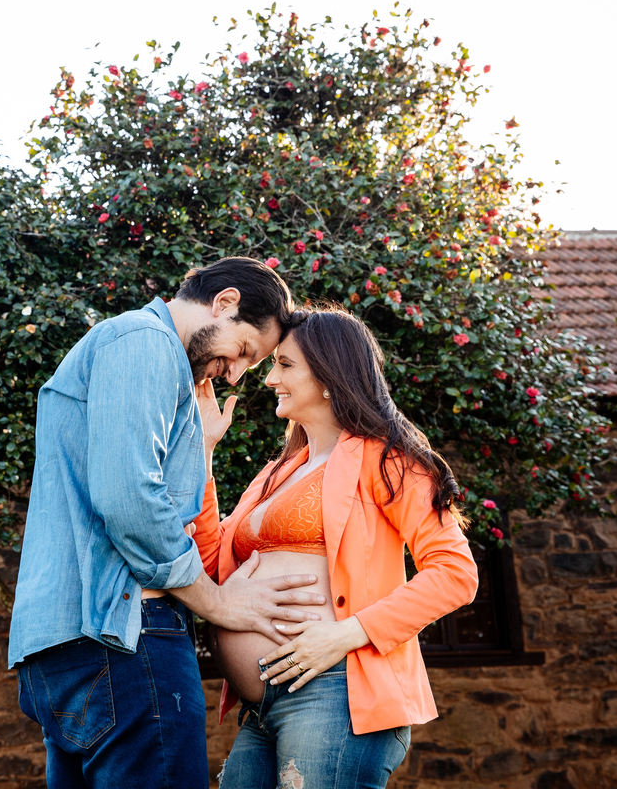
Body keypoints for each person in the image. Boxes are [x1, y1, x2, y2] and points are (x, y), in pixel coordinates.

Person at [9, 257, 329, 789]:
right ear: (224, 303)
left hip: (64, 645)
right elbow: (130, 498)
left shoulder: (122, 351)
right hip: (126, 642)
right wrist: (217, 602)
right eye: (245, 351)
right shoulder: (144, 341)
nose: (235, 373)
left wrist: (199, 446)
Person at [191, 305, 479, 789]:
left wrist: (347, 633)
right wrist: (203, 453)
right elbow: (209, 565)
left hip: (335, 694)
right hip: (263, 709)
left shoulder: (389, 459)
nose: (268, 380)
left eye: (284, 365)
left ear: (328, 376)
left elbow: (455, 573)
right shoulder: (276, 473)